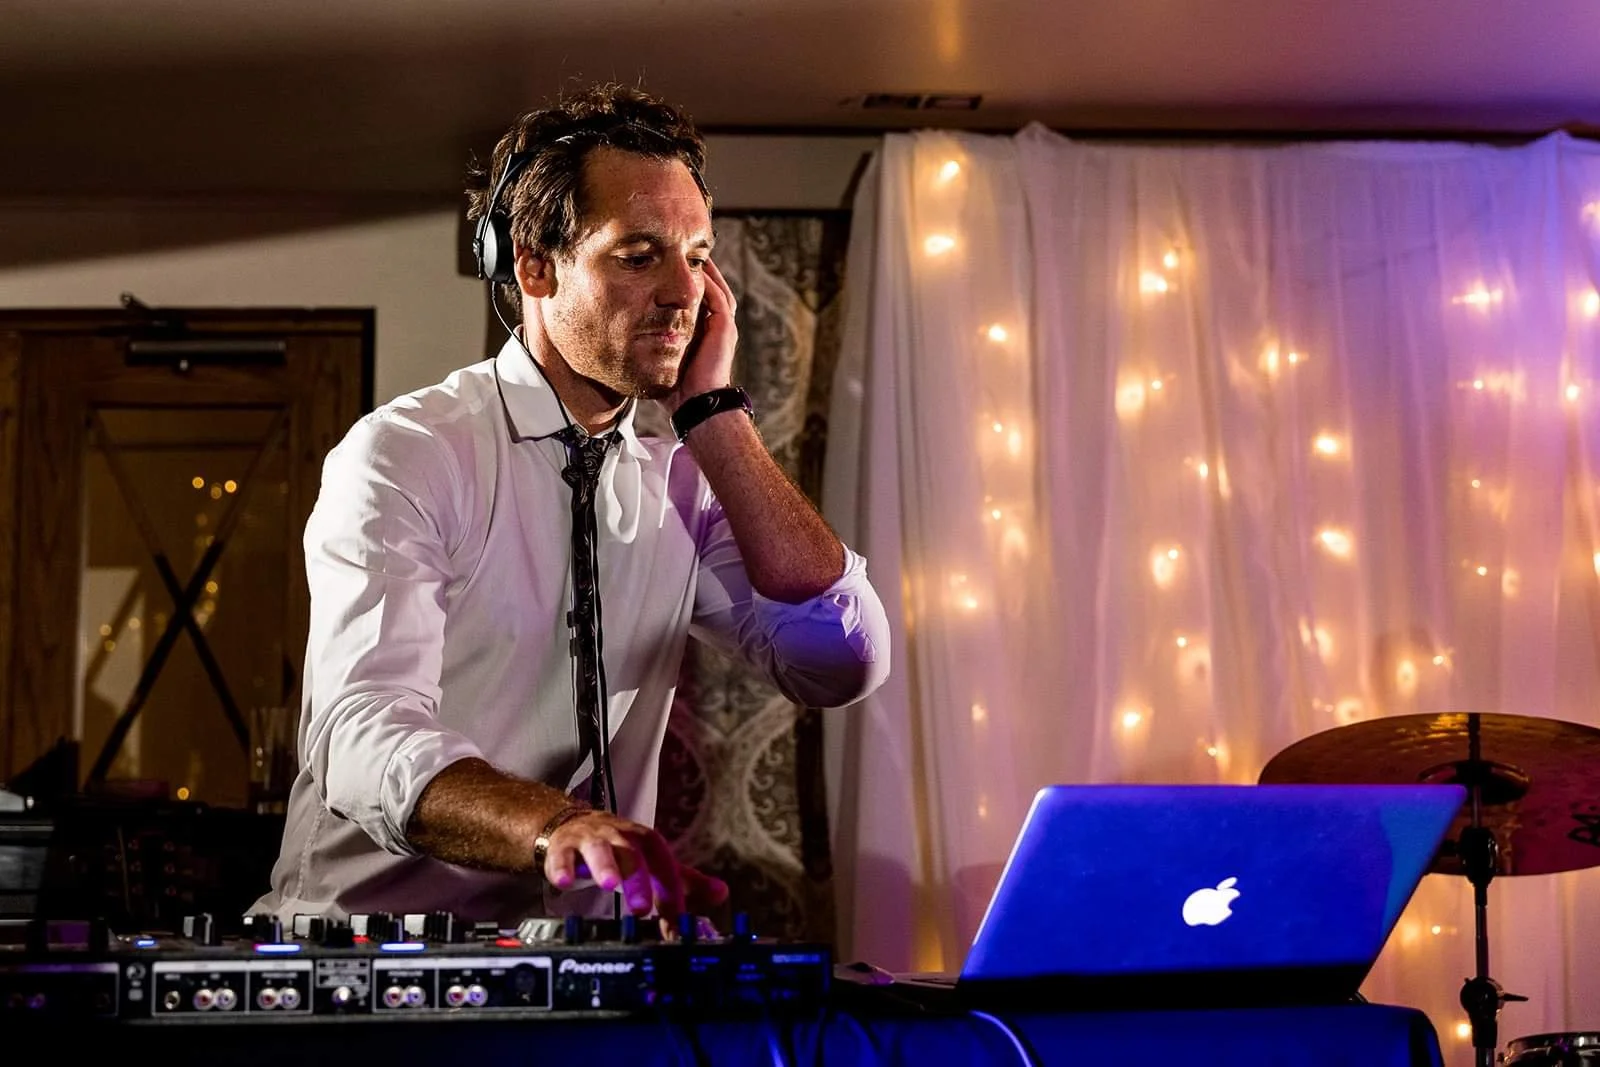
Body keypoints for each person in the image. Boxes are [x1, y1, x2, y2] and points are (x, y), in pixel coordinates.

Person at [253, 84, 890, 928]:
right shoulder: (410, 452)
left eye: (698, 257)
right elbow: (364, 734)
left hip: (584, 965)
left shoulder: (684, 481)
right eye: (639, 255)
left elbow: (839, 661)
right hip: (375, 960)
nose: (683, 292)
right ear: (534, 266)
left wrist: (716, 416)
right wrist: (556, 825)